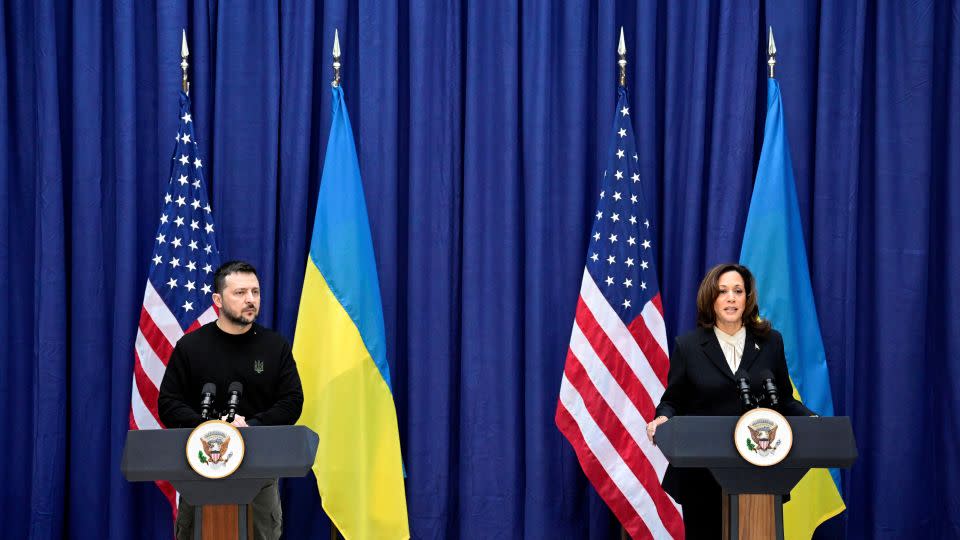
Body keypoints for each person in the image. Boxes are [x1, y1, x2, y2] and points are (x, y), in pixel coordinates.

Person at [645, 263, 814, 539]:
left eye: (738, 291)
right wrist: (663, 417)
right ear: (711, 298)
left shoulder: (771, 342)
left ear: (748, 298)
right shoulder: (688, 346)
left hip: (759, 472)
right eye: (723, 291)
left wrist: (812, 421)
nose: (731, 298)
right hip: (702, 474)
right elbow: (672, 400)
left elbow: (783, 399)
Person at [159, 260, 304, 540]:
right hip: (200, 470)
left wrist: (251, 426)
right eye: (240, 293)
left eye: (255, 292)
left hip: (259, 473)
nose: (250, 300)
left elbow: (291, 401)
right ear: (218, 299)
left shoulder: (275, 347)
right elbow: (169, 403)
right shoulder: (190, 347)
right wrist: (210, 428)